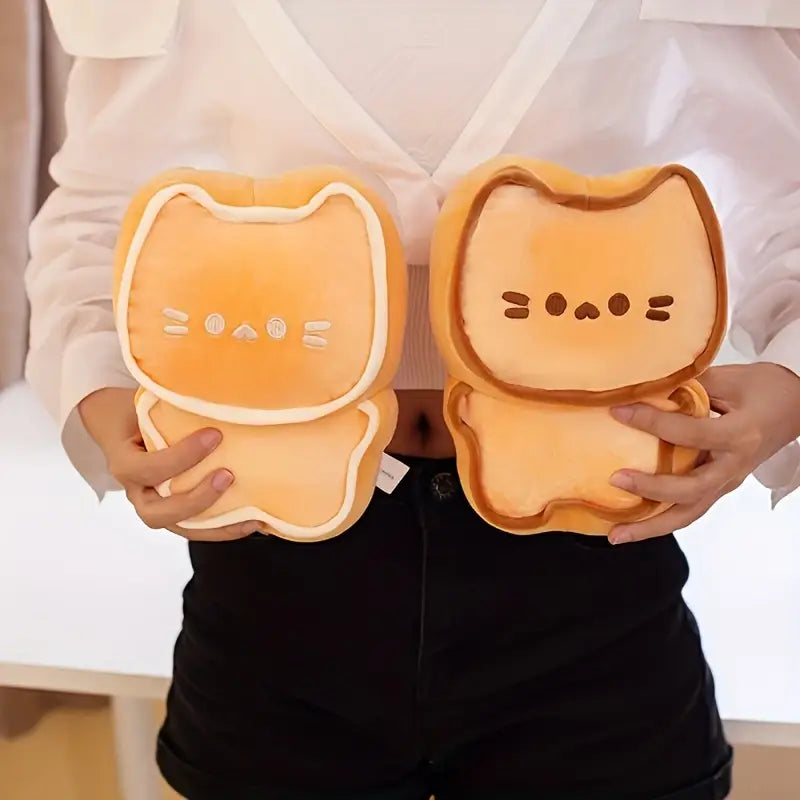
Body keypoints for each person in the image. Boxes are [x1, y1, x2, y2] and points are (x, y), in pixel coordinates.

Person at [26, 1, 800, 798]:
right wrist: (102, 395)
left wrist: (787, 387)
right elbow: (97, 212)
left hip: (595, 551)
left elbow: (786, 196)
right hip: (271, 546)